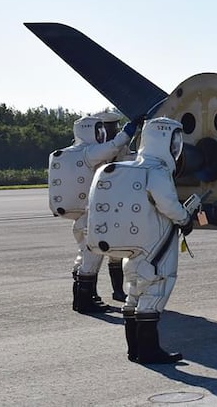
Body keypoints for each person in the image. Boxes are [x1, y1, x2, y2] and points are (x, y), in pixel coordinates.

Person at [86, 117, 193, 364]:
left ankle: (134, 349)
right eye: (175, 141)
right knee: (154, 293)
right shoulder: (157, 171)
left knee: (134, 296)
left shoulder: (131, 166)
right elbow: (168, 205)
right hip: (154, 249)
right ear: (167, 140)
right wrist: (185, 218)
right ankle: (149, 350)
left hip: (133, 251)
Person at [48, 114, 139, 314]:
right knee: (91, 258)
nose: (103, 133)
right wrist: (131, 128)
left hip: (78, 217)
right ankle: (84, 301)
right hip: (89, 216)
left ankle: (85, 297)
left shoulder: (70, 152)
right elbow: (115, 146)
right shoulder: (89, 153)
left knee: (83, 257)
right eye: (100, 130)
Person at [93, 110, 136, 302]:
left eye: (115, 126)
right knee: (94, 254)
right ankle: (94, 291)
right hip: (104, 202)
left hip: (119, 200)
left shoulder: (119, 146)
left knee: (116, 251)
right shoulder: (101, 147)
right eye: (111, 126)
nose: (113, 129)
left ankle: (117, 291)